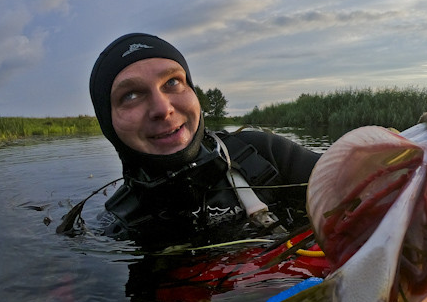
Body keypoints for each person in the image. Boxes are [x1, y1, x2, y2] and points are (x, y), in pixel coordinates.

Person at [89, 33, 320, 246]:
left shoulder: (263, 154)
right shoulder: (114, 227)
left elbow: (350, 179)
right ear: (108, 123)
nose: (163, 108)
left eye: (172, 82)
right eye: (130, 95)